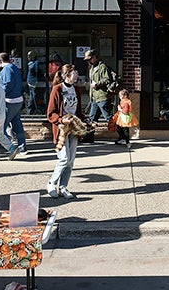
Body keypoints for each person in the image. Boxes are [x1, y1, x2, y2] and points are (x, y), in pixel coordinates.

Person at [46, 64, 84, 199]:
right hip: (62, 129)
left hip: (73, 129)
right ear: (67, 75)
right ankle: (51, 183)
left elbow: (78, 111)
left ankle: (63, 187)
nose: (77, 75)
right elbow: (50, 113)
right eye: (75, 73)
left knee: (71, 160)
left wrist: (85, 123)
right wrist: (61, 120)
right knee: (64, 158)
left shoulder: (77, 90)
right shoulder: (57, 89)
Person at [0, 52, 25, 155]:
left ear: (0, 61)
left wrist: (0, 93)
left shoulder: (6, 69)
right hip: (18, 100)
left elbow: (7, 84)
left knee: (2, 125)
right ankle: (22, 146)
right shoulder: (15, 68)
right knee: (17, 123)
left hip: (10, 101)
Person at [85, 49, 116, 124]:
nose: (89, 61)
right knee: (92, 118)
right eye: (88, 60)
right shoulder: (91, 67)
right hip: (94, 97)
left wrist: (97, 84)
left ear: (95, 57)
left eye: (90, 59)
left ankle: (123, 134)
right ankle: (89, 135)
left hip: (102, 96)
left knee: (108, 117)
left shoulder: (102, 66)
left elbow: (107, 79)